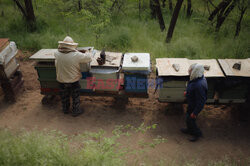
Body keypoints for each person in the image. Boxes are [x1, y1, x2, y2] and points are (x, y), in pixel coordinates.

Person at [54, 36, 92, 117]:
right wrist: (87, 51)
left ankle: (65, 109)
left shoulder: (56, 53)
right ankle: (76, 110)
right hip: (73, 81)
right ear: (72, 46)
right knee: (75, 96)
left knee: (64, 96)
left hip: (61, 80)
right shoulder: (76, 55)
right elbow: (89, 58)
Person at [181, 63, 208, 142]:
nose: (189, 71)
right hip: (191, 103)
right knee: (188, 117)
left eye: (191, 70)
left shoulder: (199, 85)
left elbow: (201, 101)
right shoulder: (197, 78)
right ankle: (189, 130)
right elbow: (192, 87)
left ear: (195, 71)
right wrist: (187, 92)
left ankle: (197, 134)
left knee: (191, 119)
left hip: (195, 106)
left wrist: (195, 113)